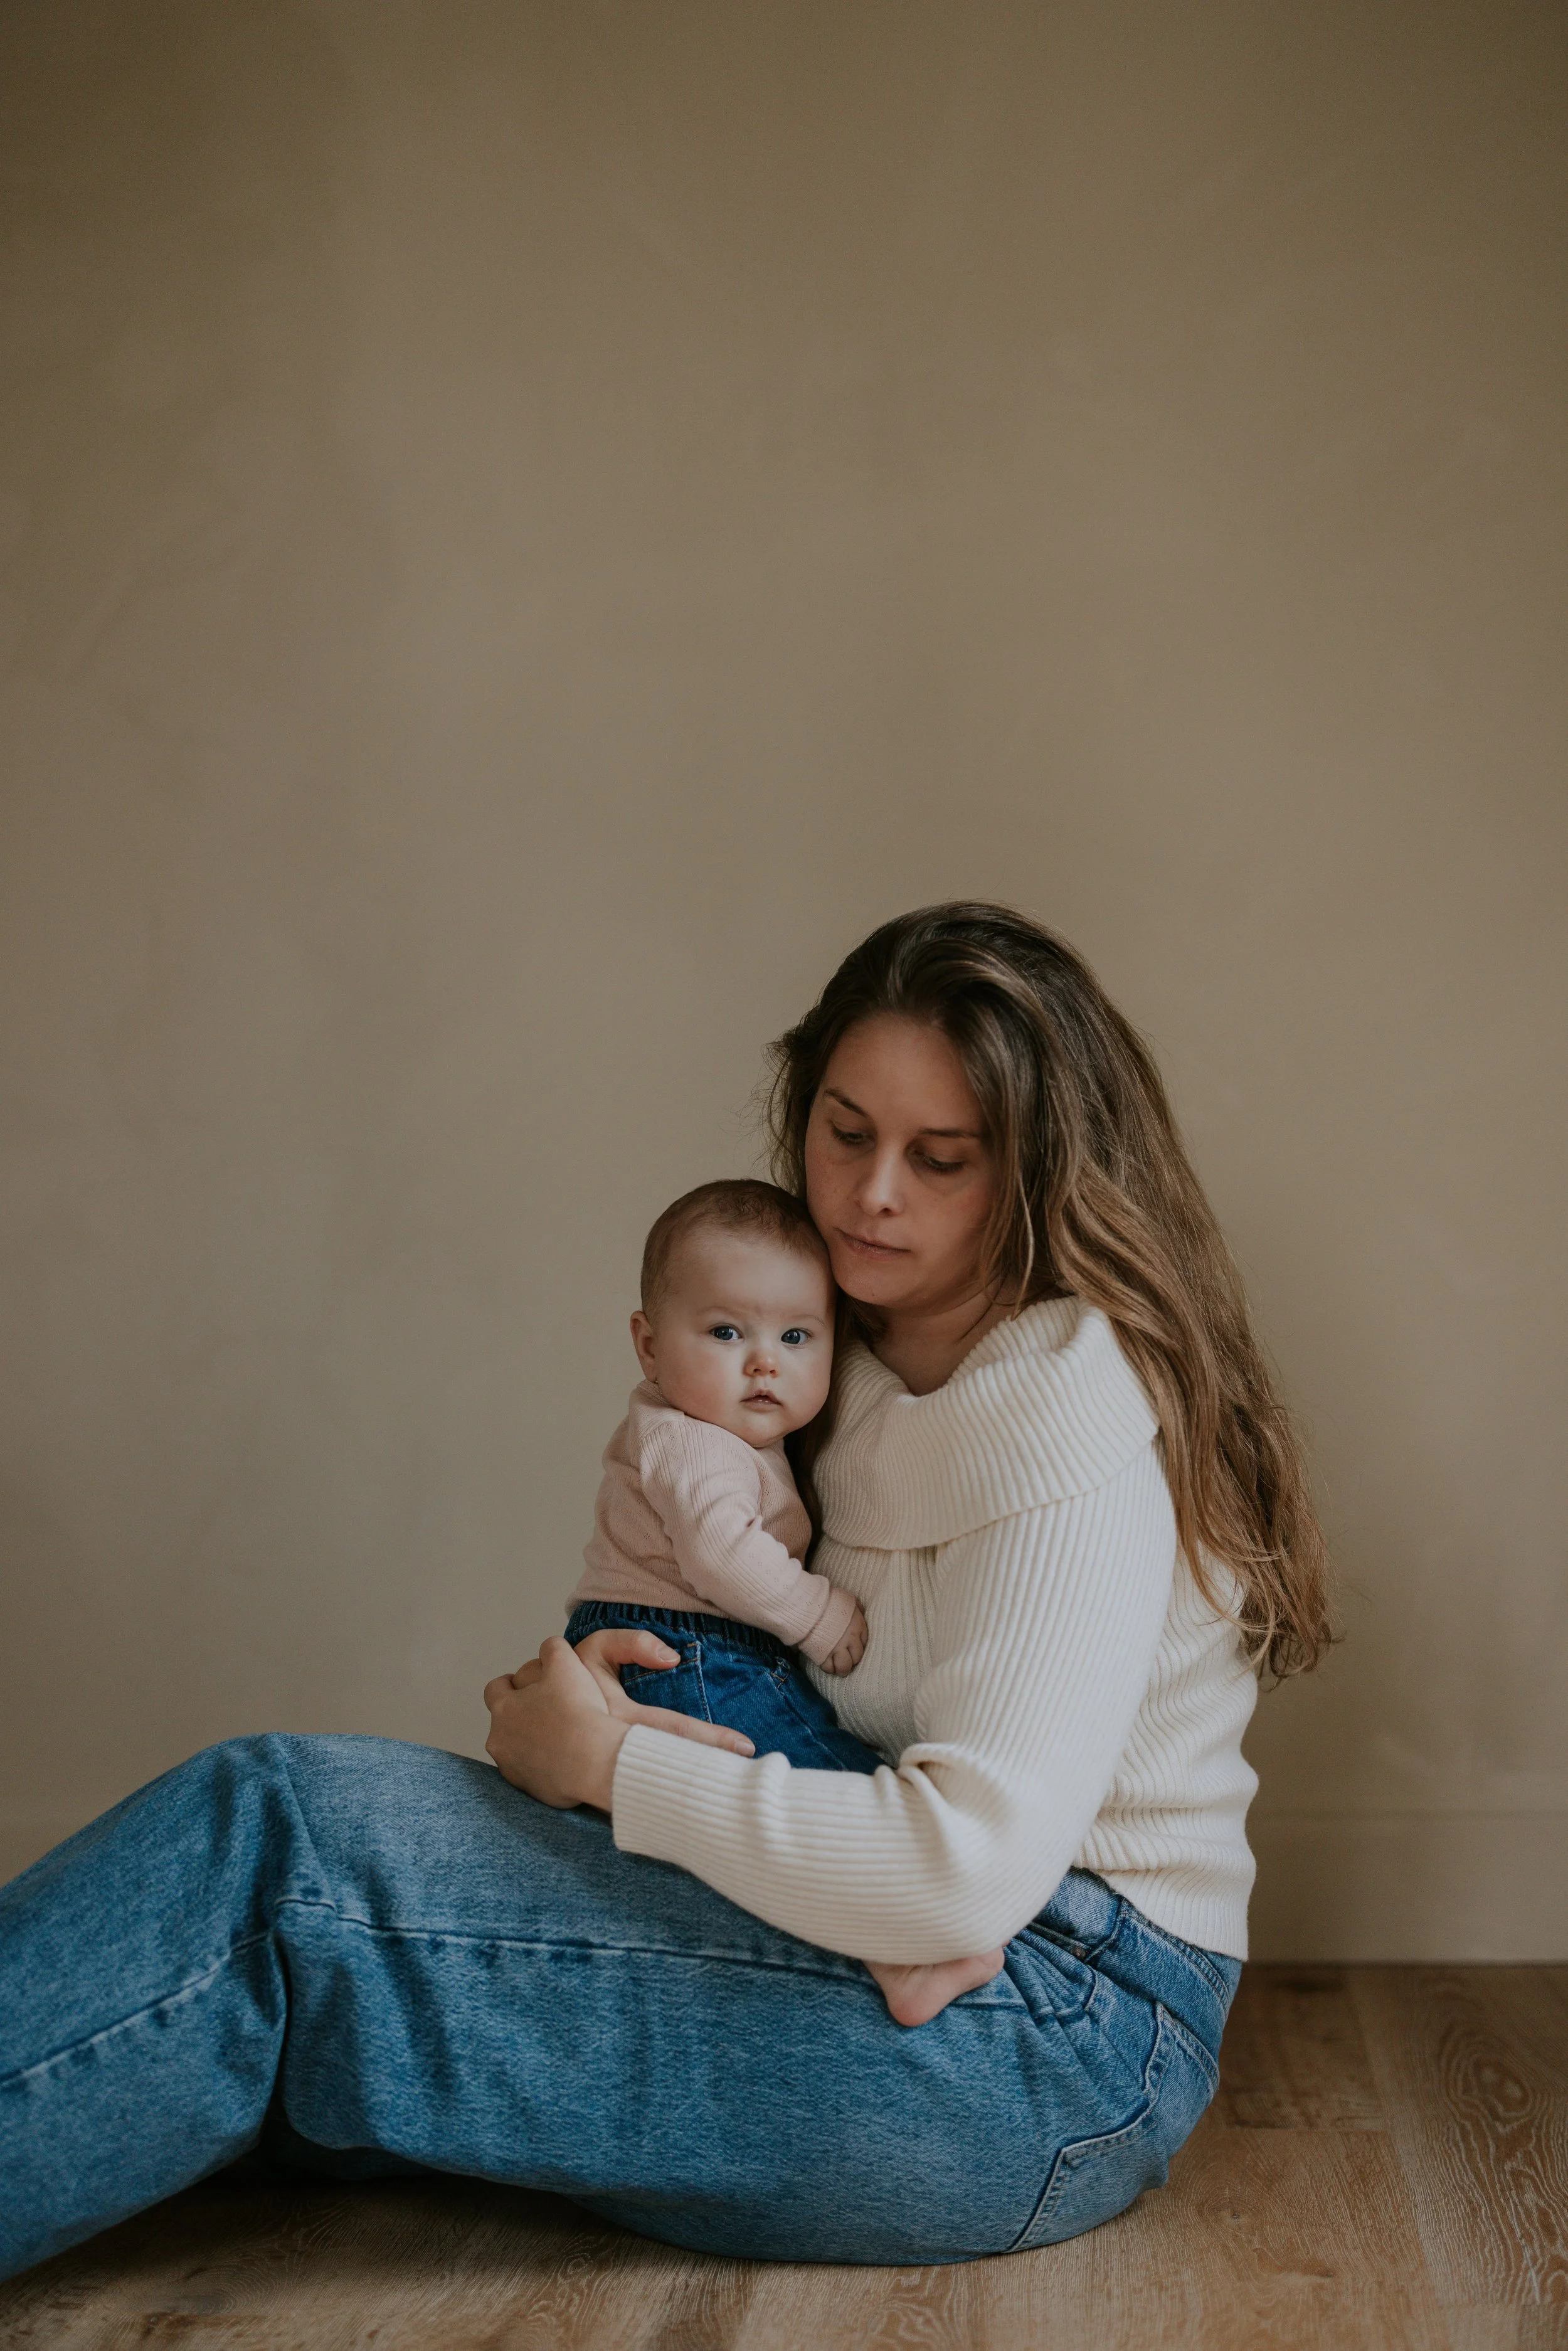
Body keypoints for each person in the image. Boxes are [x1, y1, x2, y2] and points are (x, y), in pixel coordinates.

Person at [0, 903, 1332, 2279]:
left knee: (280, 1850)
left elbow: (960, 1876)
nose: (871, 1193)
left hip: (1044, 2028)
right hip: (901, 1945)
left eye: (941, 1158)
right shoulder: (827, 1357)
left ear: (1043, 1173)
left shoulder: (1067, 1412)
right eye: (842, 1131)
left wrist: (618, 1764)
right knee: (297, 1994)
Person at [561, 1174, 1009, 2022]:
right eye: (727, 1331)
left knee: (789, 1790)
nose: (765, 1361)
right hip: (685, 1646)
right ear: (648, 1345)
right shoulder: (691, 1443)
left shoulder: (715, 1430)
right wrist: (820, 1613)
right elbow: (723, 1554)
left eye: (797, 1335)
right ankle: (905, 1944)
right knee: (824, 1779)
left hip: (684, 1641)